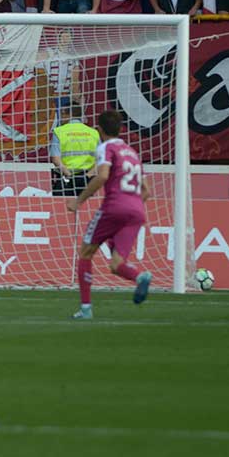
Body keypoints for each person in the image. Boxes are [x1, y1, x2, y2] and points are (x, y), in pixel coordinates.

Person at [66, 109, 153, 320]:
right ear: (121, 128)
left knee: (86, 252)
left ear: (99, 129)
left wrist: (79, 200)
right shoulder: (132, 152)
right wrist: (130, 208)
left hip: (114, 206)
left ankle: (86, 309)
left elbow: (103, 175)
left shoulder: (106, 147)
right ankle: (140, 276)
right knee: (116, 264)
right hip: (137, 211)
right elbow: (147, 191)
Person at [49, 103, 99, 197]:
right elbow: (101, 160)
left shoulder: (59, 131)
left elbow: (55, 159)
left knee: (61, 208)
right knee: (85, 209)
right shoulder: (93, 133)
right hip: (86, 180)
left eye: (62, 114)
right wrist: (88, 176)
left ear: (66, 114)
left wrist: (68, 175)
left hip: (66, 178)